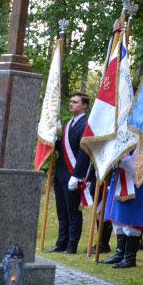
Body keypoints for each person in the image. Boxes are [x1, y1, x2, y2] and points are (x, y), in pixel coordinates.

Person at [49, 93, 94, 254]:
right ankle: (61, 242)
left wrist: (77, 175)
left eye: (75, 102)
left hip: (73, 174)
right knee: (62, 211)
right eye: (70, 102)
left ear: (84, 105)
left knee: (73, 212)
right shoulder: (68, 124)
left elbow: (84, 152)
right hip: (61, 173)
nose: (71, 104)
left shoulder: (86, 124)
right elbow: (63, 148)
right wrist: (53, 141)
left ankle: (71, 245)